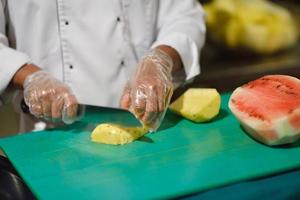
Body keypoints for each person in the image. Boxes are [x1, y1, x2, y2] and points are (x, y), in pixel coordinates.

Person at [0, 0, 206, 132]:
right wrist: (30, 77)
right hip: (50, 135)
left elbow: (185, 14)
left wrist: (162, 58)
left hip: (141, 122)